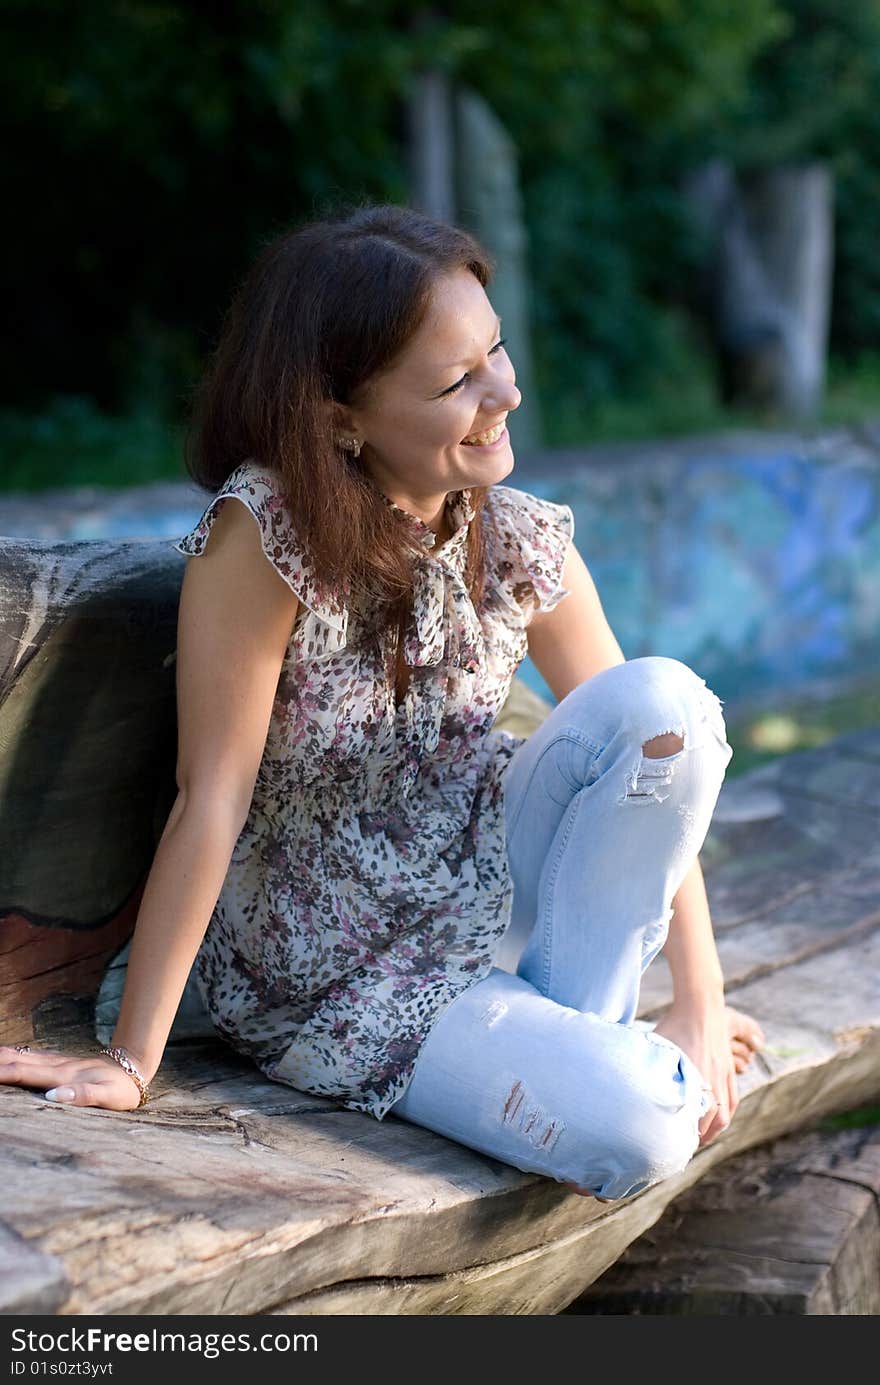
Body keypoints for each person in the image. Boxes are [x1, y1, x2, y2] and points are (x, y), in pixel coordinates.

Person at [0, 203, 764, 1201]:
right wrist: (132, 1061)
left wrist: (700, 1003)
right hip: (336, 974)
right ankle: (589, 1053)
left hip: (489, 897)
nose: (507, 391)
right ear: (340, 420)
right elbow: (211, 794)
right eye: (457, 382)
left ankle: (584, 1034)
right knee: (643, 1126)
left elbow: (656, 767)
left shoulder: (518, 534)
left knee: (668, 703)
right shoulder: (266, 532)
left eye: (495, 352)